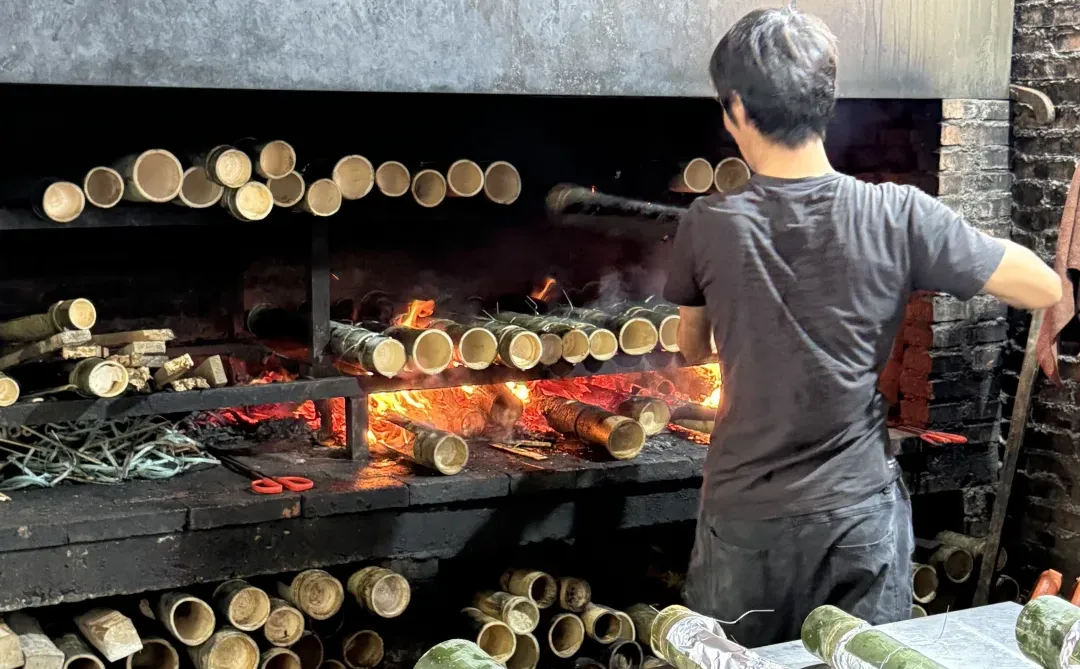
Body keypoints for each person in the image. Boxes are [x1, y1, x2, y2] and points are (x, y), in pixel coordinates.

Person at [665, 6, 1061, 647]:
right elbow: (1042, 285)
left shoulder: (707, 223)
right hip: (856, 517)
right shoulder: (899, 215)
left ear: (735, 109)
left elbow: (692, 347)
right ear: (826, 102)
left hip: (745, 522)